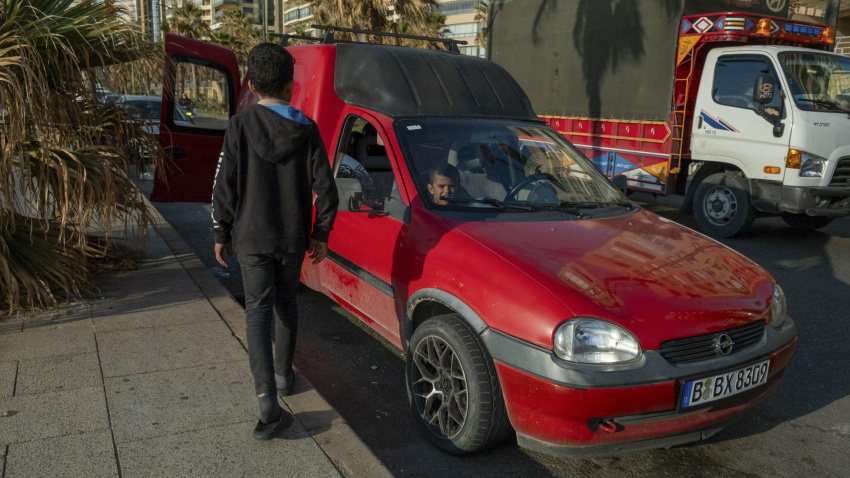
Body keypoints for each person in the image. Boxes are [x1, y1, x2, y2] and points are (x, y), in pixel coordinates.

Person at [211, 43, 338, 441]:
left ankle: (266, 396)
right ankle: (284, 376)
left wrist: (221, 231)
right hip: (292, 237)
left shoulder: (239, 126)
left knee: (257, 311)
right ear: (290, 85)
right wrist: (321, 233)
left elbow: (224, 186)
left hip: (250, 236)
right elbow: (327, 189)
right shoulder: (308, 129)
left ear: (251, 82)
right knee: (287, 302)